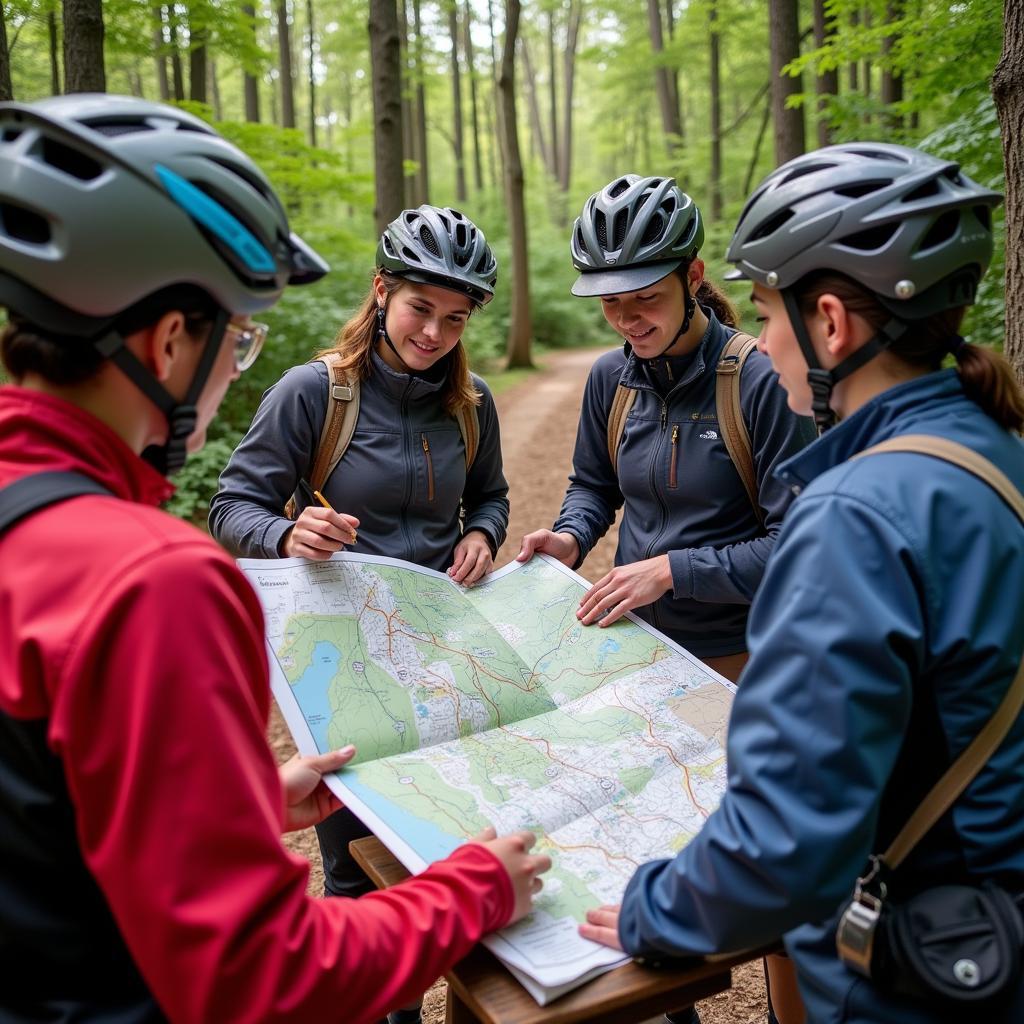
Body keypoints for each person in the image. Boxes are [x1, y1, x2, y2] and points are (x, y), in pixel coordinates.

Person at [0, 94, 549, 1024]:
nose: (235, 368)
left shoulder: (39, 536)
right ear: (170, 340)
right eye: (237, 339)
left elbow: (54, 822)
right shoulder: (153, 582)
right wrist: (475, 892)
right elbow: (260, 973)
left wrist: (243, 802)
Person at [579, 143, 1024, 1024]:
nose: (762, 340)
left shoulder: (856, 514)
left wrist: (651, 909)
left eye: (767, 312)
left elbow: (785, 840)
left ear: (830, 323)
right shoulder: (992, 452)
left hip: (920, 966)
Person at [517, 176, 814, 1023]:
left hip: (745, 667)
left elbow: (800, 547)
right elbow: (590, 485)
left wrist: (674, 569)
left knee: (769, 880)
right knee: (646, 856)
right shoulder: (612, 378)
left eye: (643, 300)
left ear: (691, 277)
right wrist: (570, 537)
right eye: (609, 305)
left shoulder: (757, 381)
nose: (625, 320)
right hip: (637, 664)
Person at [208, 204, 510, 1022]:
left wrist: (483, 533)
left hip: (446, 653)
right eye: (420, 309)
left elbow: (491, 497)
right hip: (345, 666)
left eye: (455, 319)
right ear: (382, 292)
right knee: (362, 868)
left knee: (457, 851)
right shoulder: (316, 392)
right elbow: (231, 507)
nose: (434, 334)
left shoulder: (471, 401)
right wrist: (286, 528)